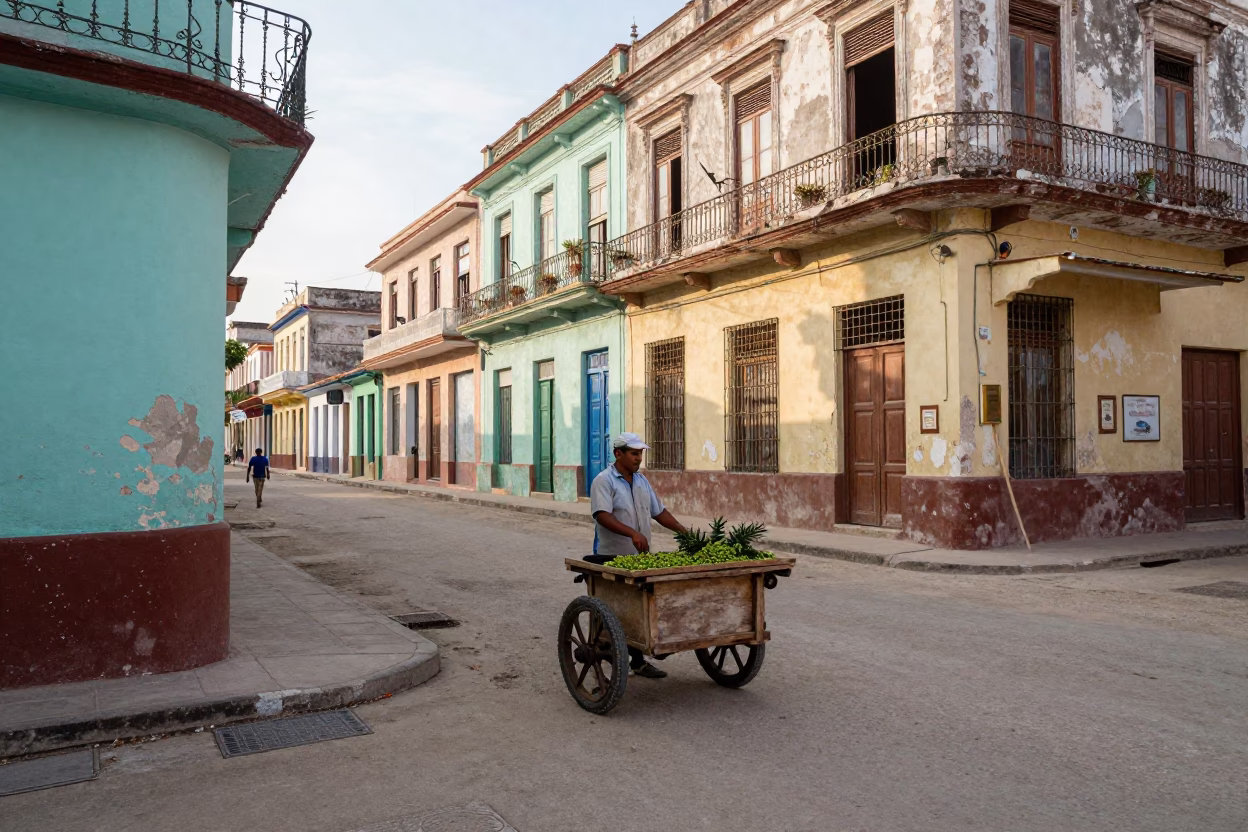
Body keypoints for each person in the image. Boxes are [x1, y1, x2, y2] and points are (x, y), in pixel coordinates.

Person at [589, 432, 689, 679]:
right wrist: (632, 533)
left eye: (640, 453)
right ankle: (604, 651)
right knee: (615, 607)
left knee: (639, 607)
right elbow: (602, 514)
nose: (638, 458)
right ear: (618, 454)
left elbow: (659, 512)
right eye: (634, 453)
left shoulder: (642, 482)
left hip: (640, 558)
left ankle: (637, 659)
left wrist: (684, 532)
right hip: (612, 556)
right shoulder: (604, 481)